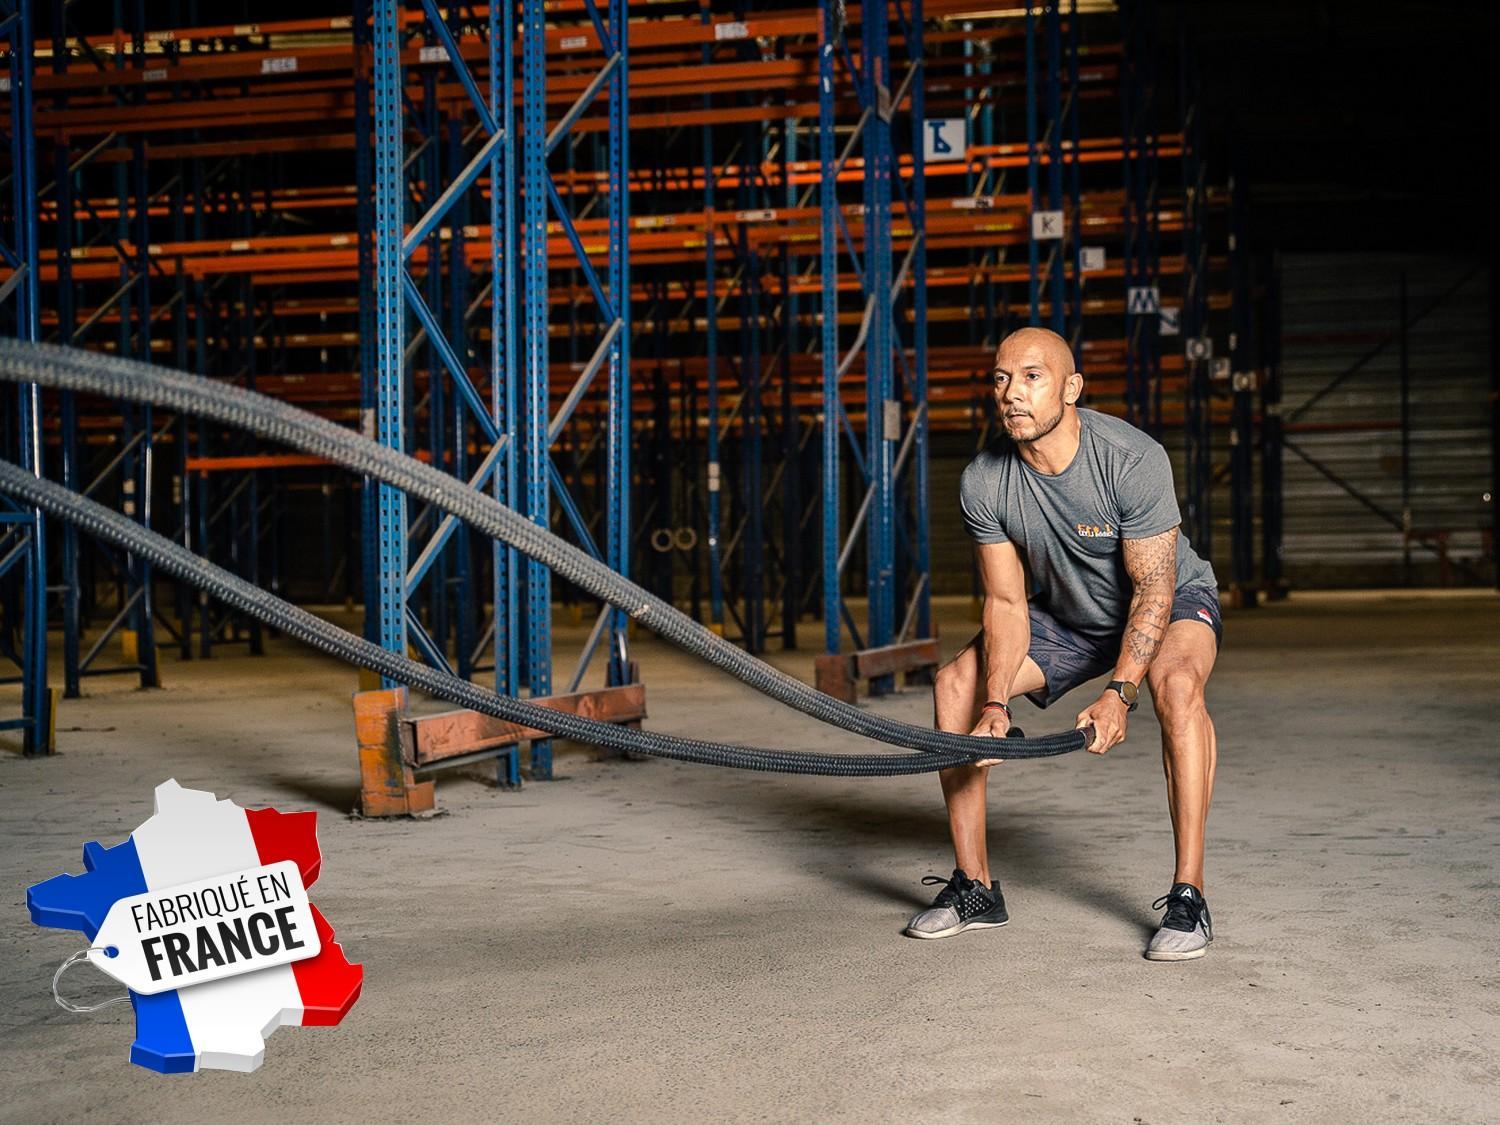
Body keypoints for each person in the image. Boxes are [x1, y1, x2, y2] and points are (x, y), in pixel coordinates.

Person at [904, 327, 1222, 961]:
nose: (1011, 393)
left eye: (1031, 377)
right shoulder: (984, 481)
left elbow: (1153, 595)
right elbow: (1005, 603)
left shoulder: (1131, 459)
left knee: (1177, 685)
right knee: (956, 686)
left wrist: (1118, 694)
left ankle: (1190, 895)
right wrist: (996, 704)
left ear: (1071, 388)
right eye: (1000, 379)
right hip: (1070, 617)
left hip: (1167, 600)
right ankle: (975, 888)